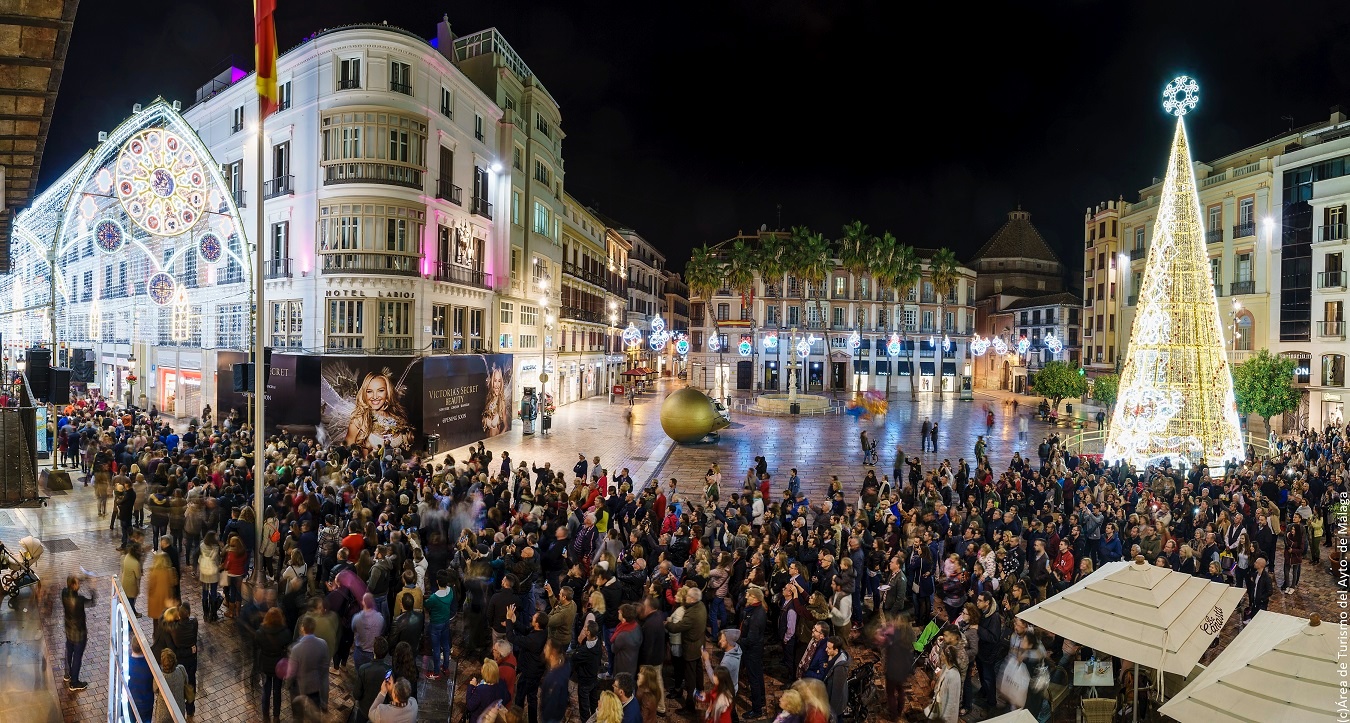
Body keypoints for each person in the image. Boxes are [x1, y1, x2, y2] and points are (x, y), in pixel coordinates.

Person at [665, 586, 708, 713]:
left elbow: (676, 628)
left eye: (688, 596)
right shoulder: (701, 605)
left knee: (690, 677)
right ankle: (700, 692)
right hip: (699, 644)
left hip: (691, 647)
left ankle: (690, 705)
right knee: (698, 671)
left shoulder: (691, 615)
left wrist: (667, 623)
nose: (686, 598)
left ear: (693, 599)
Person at [255, 607, 293, 721]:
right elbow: (288, 643)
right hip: (279, 666)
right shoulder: (285, 632)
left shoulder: (260, 633)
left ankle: (265, 715)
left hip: (265, 664)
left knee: (266, 691)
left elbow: (257, 645)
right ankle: (276, 716)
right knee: (277, 691)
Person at [288, 615, 330, 713]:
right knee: (315, 712)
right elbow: (325, 669)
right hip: (315, 685)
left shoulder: (296, 649)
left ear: (302, 628)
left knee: (298, 714)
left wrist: (288, 684)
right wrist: (324, 700)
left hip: (300, 686)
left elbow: (291, 672)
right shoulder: (323, 644)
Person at [61, 573, 95, 691]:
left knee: (69, 652)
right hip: (79, 634)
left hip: (69, 630)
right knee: (77, 658)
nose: (79, 584)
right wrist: (93, 588)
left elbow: (73, 583)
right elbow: (92, 602)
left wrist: (84, 578)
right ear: (74, 585)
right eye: (78, 583)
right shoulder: (79, 600)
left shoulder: (64, 593)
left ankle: (67, 674)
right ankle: (74, 683)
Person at [353, 638, 393, 723]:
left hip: (364, 709)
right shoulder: (389, 671)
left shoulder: (364, 669)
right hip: (380, 712)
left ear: (373, 651)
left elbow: (356, 694)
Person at [539, 641, 571, 723]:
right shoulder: (564, 665)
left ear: (552, 654)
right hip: (558, 713)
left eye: (546, 647)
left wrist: (545, 717)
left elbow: (552, 702)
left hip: (551, 718)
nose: (544, 649)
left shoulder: (554, 678)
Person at [153, 648, 187, 723]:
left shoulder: (159, 676)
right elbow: (186, 682)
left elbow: (155, 689)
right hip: (179, 709)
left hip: (163, 713)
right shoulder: (181, 669)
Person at [822, 636, 850, 719]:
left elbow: (837, 692)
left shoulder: (840, 668)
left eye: (829, 648)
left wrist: (831, 712)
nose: (826, 649)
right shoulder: (835, 655)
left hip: (835, 705)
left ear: (836, 650)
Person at [932, 645, 962, 723]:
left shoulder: (953, 675)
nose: (940, 657)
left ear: (948, 657)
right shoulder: (945, 667)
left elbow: (951, 700)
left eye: (942, 655)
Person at [121, 542, 143, 617]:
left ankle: (132, 612)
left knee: (128, 599)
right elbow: (138, 576)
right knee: (130, 600)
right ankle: (133, 613)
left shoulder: (127, 556)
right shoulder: (135, 563)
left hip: (125, 581)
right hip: (131, 584)